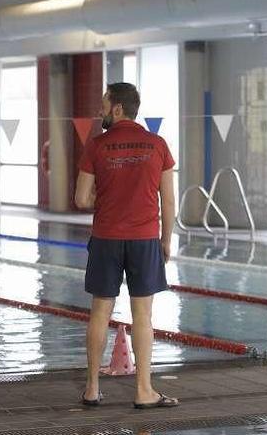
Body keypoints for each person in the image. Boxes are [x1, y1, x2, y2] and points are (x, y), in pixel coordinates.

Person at [74, 82, 178, 409]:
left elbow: (80, 199)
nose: (100, 110)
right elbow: (170, 201)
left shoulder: (97, 145)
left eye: (104, 104)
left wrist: (102, 197)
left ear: (117, 108)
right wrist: (166, 240)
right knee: (143, 315)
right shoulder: (157, 144)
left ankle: (92, 388)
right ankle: (144, 390)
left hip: (106, 237)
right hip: (145, 237)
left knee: (99, 313)